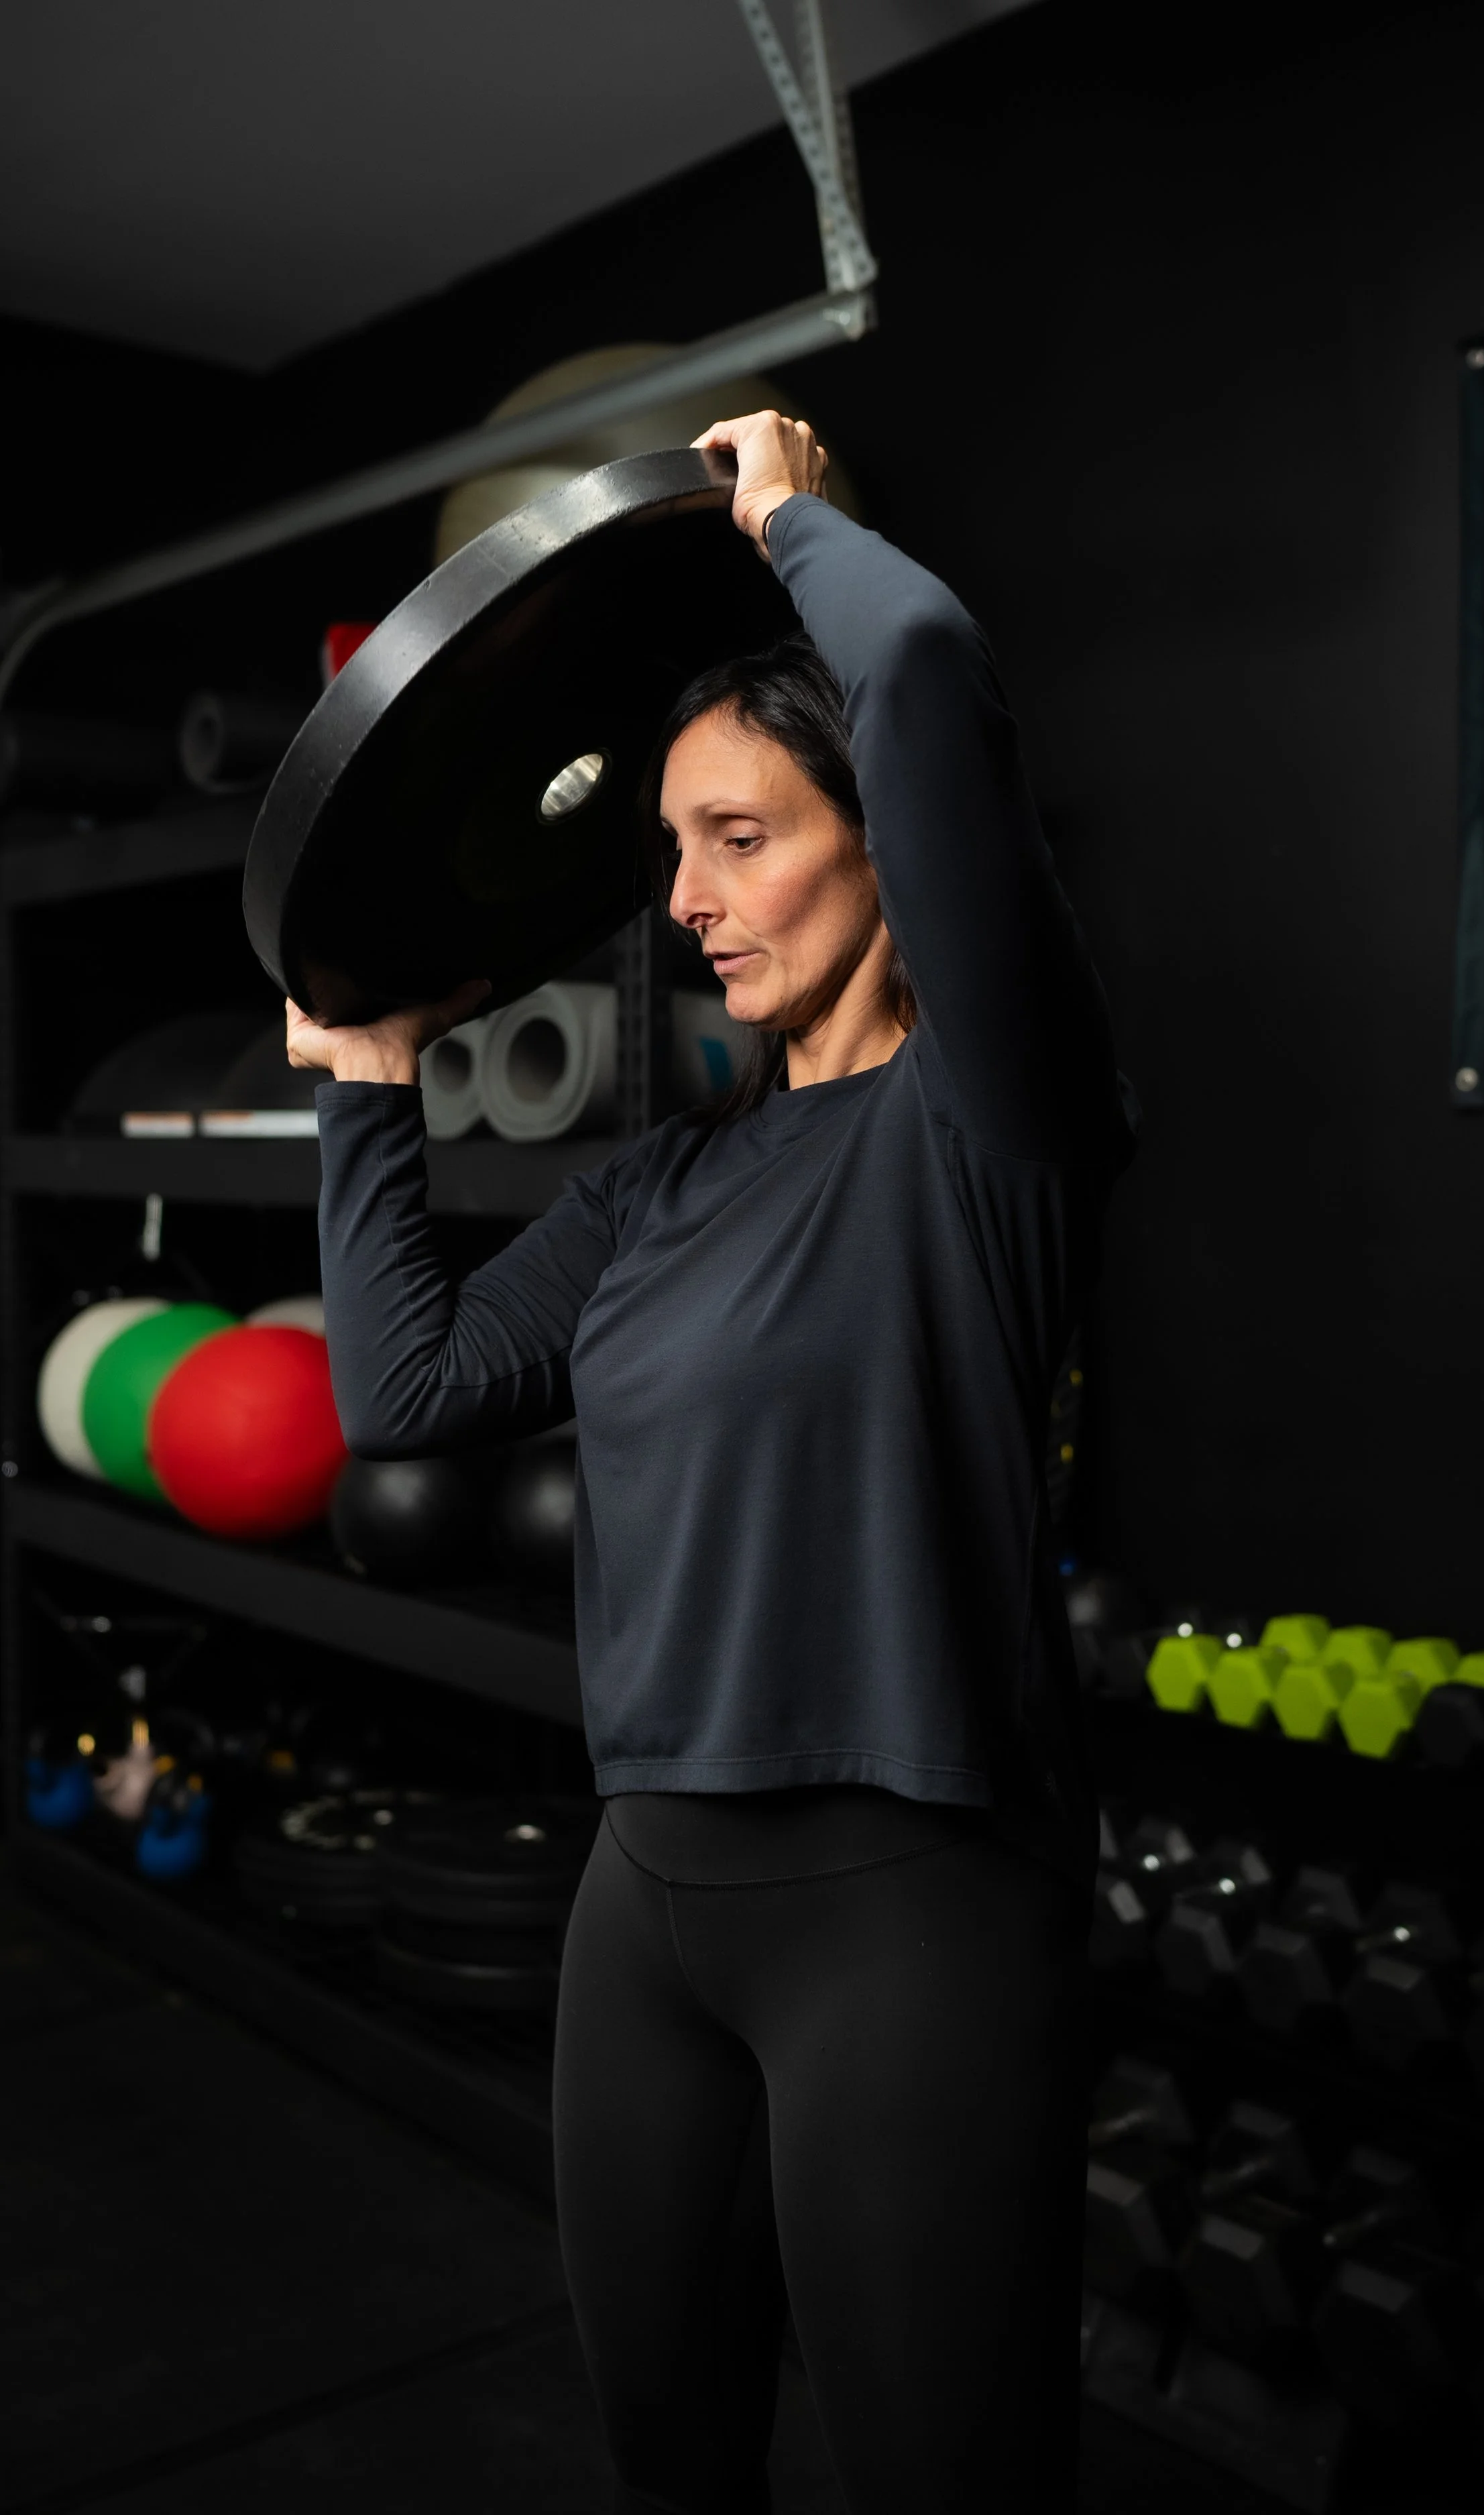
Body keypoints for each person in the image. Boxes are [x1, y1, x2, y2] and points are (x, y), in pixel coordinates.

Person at [286, 410, 1133, 2514]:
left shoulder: (995, 1122)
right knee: (672, 2462)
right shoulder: (668, 1181)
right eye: (670, 848)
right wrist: (370, 1083)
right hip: (646, 1906)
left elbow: (923, 671)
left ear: (876, 837)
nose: (684, 905)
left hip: (910, 1917)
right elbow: (405, 1387)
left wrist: (789, 528)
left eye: (740, 836)